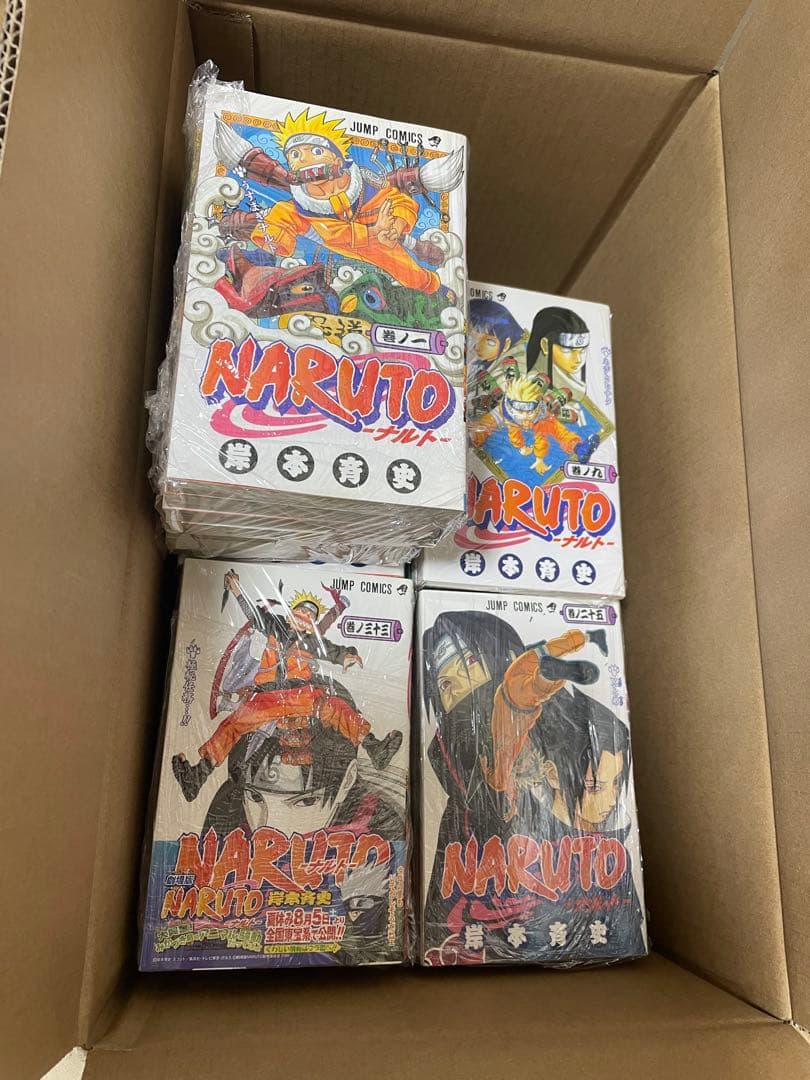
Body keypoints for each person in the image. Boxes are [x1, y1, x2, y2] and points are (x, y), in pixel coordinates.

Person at [172, 571, 401, 802]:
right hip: (266, 699)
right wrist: (237, 590)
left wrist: (347, 656)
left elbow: (334, 651)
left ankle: (374, 747)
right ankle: (197, 776)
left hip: (300, 697)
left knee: (335, 707)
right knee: (233, 724)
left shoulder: (312, 642)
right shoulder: (273, 625)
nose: (305, 615)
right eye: (302, 610)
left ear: (312, 623)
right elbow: (254, 614)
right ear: (292, 612)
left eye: (310, 615)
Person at [214, 110, 462, 294]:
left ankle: (435, 289)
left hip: (376, 233)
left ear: (337, 158)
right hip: (330, 231)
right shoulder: (299, 202)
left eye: (316, 151)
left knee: (407, 270)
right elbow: (334, 234)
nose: (303, 159)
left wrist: (396, 225)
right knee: (279, 214)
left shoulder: (367, 183)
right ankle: (260, 261)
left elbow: (398, 200)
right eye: (295, 155)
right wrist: (372, 233)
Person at [470, 372, 599, 474]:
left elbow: (541, 438)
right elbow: (514, 433)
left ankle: (579, 448)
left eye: (530, 411)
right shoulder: (505, 411)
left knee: (557, 428)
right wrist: (521, 446)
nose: (526, 416)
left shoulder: (542, 415)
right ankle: (473, 437)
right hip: (505, 414)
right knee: (488, 422)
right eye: (521, 411)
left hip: (540, 417)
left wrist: (539, 458)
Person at [467, 298, 523, 413]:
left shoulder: (511, 364)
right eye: (472, 337)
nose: (477, 347)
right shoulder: (476, 362)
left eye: (490, 342)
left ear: (506, 344)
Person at [526, 306, 590, 402]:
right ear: (545, 345)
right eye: (567, 350)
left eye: (582, 351)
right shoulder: (534, 385)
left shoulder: (574, 385)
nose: (578, 359)